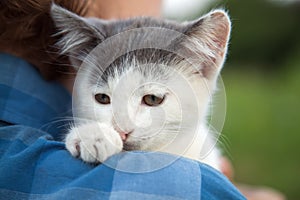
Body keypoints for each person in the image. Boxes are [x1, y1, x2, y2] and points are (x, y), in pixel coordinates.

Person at [0, 0, 245, 199]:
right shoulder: (193, 188)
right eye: (103, 98)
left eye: (151, 98)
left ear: (203, 67)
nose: (122, 128)